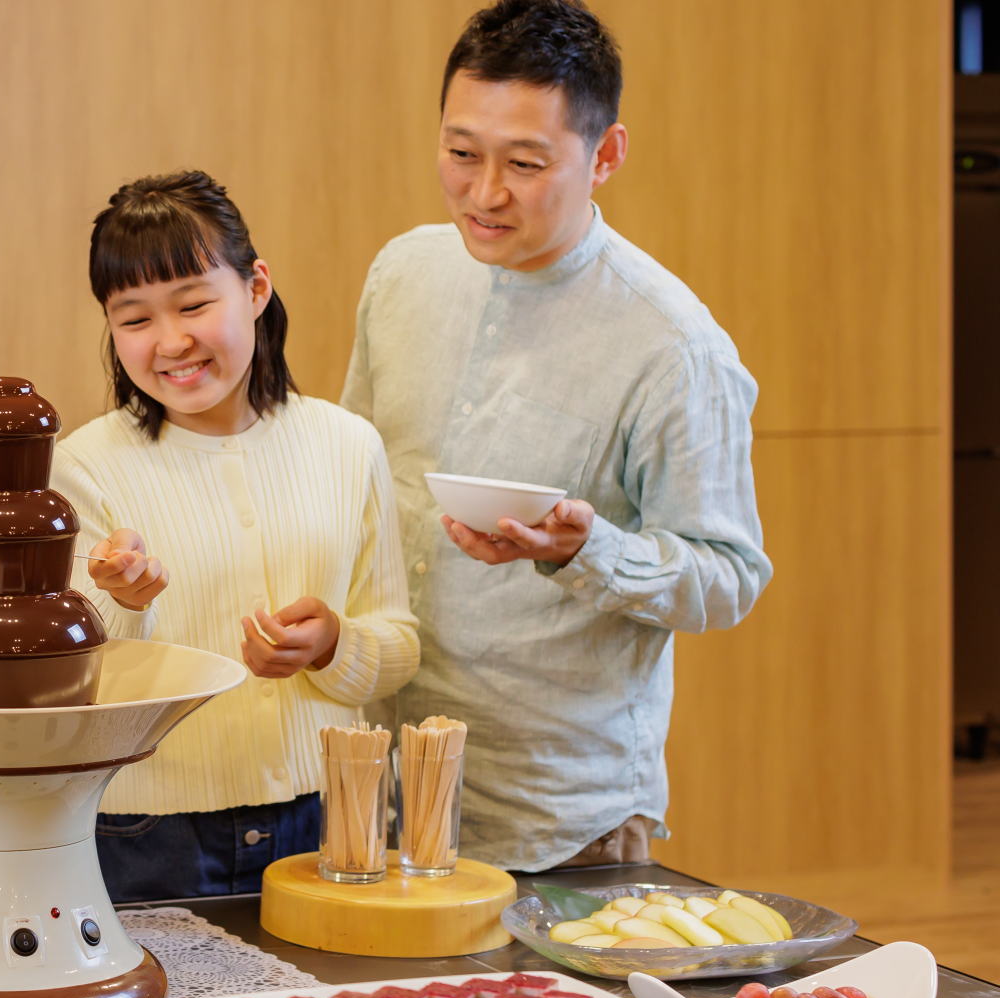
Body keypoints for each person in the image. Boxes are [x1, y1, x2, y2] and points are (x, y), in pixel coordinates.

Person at [339, 0, 772, 871]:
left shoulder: (672, 345)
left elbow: (729, 576)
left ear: (605, 155)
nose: (484, 193)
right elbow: (352, 478)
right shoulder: (403, 274)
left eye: (526, 163)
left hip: (556, 817)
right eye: (462, 153)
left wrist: (589, 552)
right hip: (377, 786)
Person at [52, 170, 420, 901]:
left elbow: (400, 643)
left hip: (329, 811)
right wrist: (124, 601)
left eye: (194, 304)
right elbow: (72, 684)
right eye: (135, 319)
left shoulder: (348, 444)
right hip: (146, 831)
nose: (171, 341)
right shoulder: (84, 464)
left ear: (255, 288)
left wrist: (335, 644)